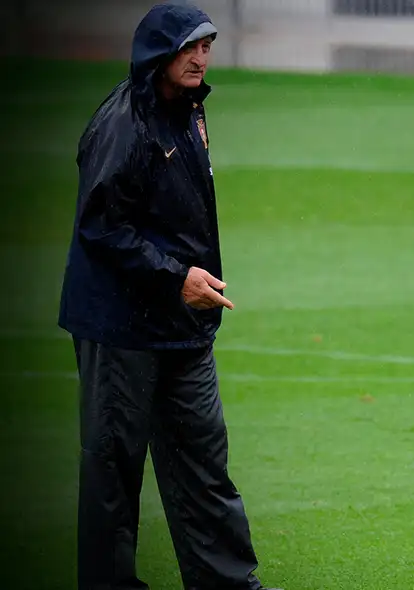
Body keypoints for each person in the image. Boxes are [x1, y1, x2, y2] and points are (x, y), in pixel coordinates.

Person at [57, 4, 280, 589]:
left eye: (206, 47)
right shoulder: (123, 123)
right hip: (120, 326)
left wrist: (185, 287)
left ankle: (227, 584)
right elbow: (102, 228)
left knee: (204, 466)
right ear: (160, 52)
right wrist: (175, 277)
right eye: (189, 48)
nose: (200, 58)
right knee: (113, 473)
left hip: (182, 323)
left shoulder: (190, 112)